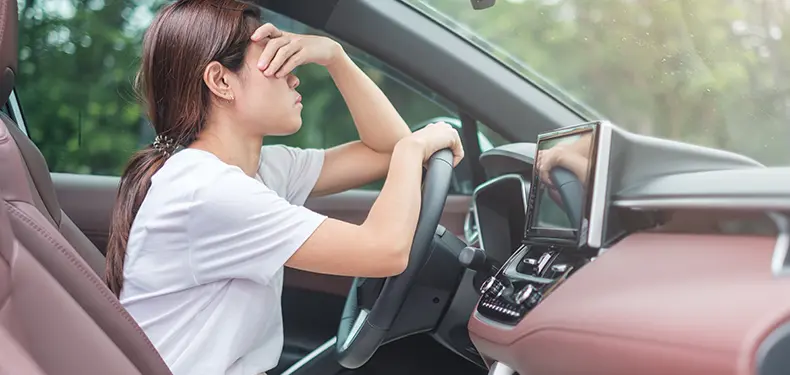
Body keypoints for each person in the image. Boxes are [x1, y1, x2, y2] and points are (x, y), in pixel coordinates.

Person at [103, 1, 463, 375]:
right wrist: (412, 149)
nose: (294, 77)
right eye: (277, 62)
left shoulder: (257, 170)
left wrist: (335, 57)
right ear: (221, 81)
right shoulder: (207, 190)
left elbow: (384, 149)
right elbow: (386, 250)